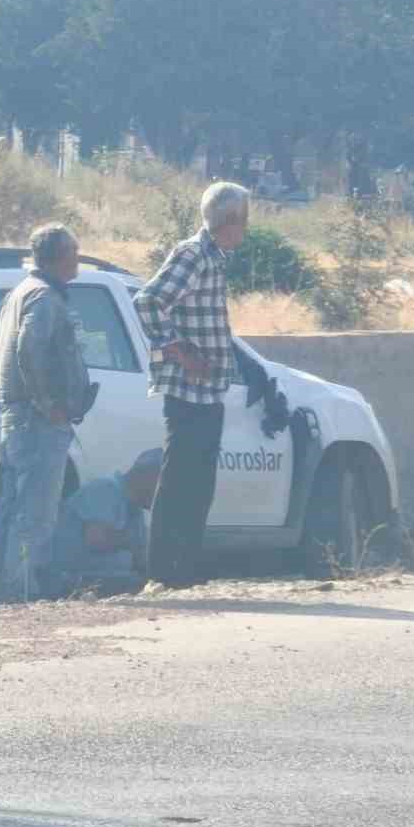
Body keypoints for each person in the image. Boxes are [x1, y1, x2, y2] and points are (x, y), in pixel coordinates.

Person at [134, 181, 248, 590]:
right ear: (230, 221)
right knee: (180, 480)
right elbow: (147, 302)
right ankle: (162, 573)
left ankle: (184, 572)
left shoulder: (214, 259)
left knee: (199, 484)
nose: (246, 230)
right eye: (243, 220)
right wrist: (179, 351)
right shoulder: (193, 254)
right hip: (186, 389)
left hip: (209, 390)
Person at [0, 224, 96, 601]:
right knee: (35, 513)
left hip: (15, 417)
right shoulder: (45, 298)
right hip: (36, 422)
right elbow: (28, 349)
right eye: (74, 253)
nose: (77, 260)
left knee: (12, 508)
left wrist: (9, 392)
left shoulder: (19, 293)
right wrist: (47, 404)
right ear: (60, 258)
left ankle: (0, 589)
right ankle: (22, 593)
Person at [46, 451, 162, 598]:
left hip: (101, 577)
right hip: (70, 578)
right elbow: (97, 539)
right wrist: (134, 544)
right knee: (144, 587)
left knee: (158, 582)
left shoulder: (135, 510)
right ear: (148, 477)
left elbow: (141, 558)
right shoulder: (105, 489)